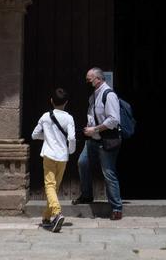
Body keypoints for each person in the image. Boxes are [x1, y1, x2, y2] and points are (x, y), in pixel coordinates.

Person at [74, 66, 123, 219]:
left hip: (106, 140)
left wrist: (95, 129)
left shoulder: (109, 95)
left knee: (108, 172)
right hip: (93, 140)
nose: (87, 82)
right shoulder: (94, 95)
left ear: (99, 79)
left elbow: (113, 120)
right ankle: (87, 195)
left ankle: (116, 208)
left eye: (89, 80)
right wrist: (89, 128)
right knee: (82, 163)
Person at [31, 86, 76, 233]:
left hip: (49, 154)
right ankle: (46, 217)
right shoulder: (69, 118)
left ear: (51, 101)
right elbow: (71, 138)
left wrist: (47, 137)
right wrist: (70, 150)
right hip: (62, 156)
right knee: (54, 187)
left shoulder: (45, 117)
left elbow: (34, 135)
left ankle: (56, 213)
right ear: (66, 102)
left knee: (50, 185)